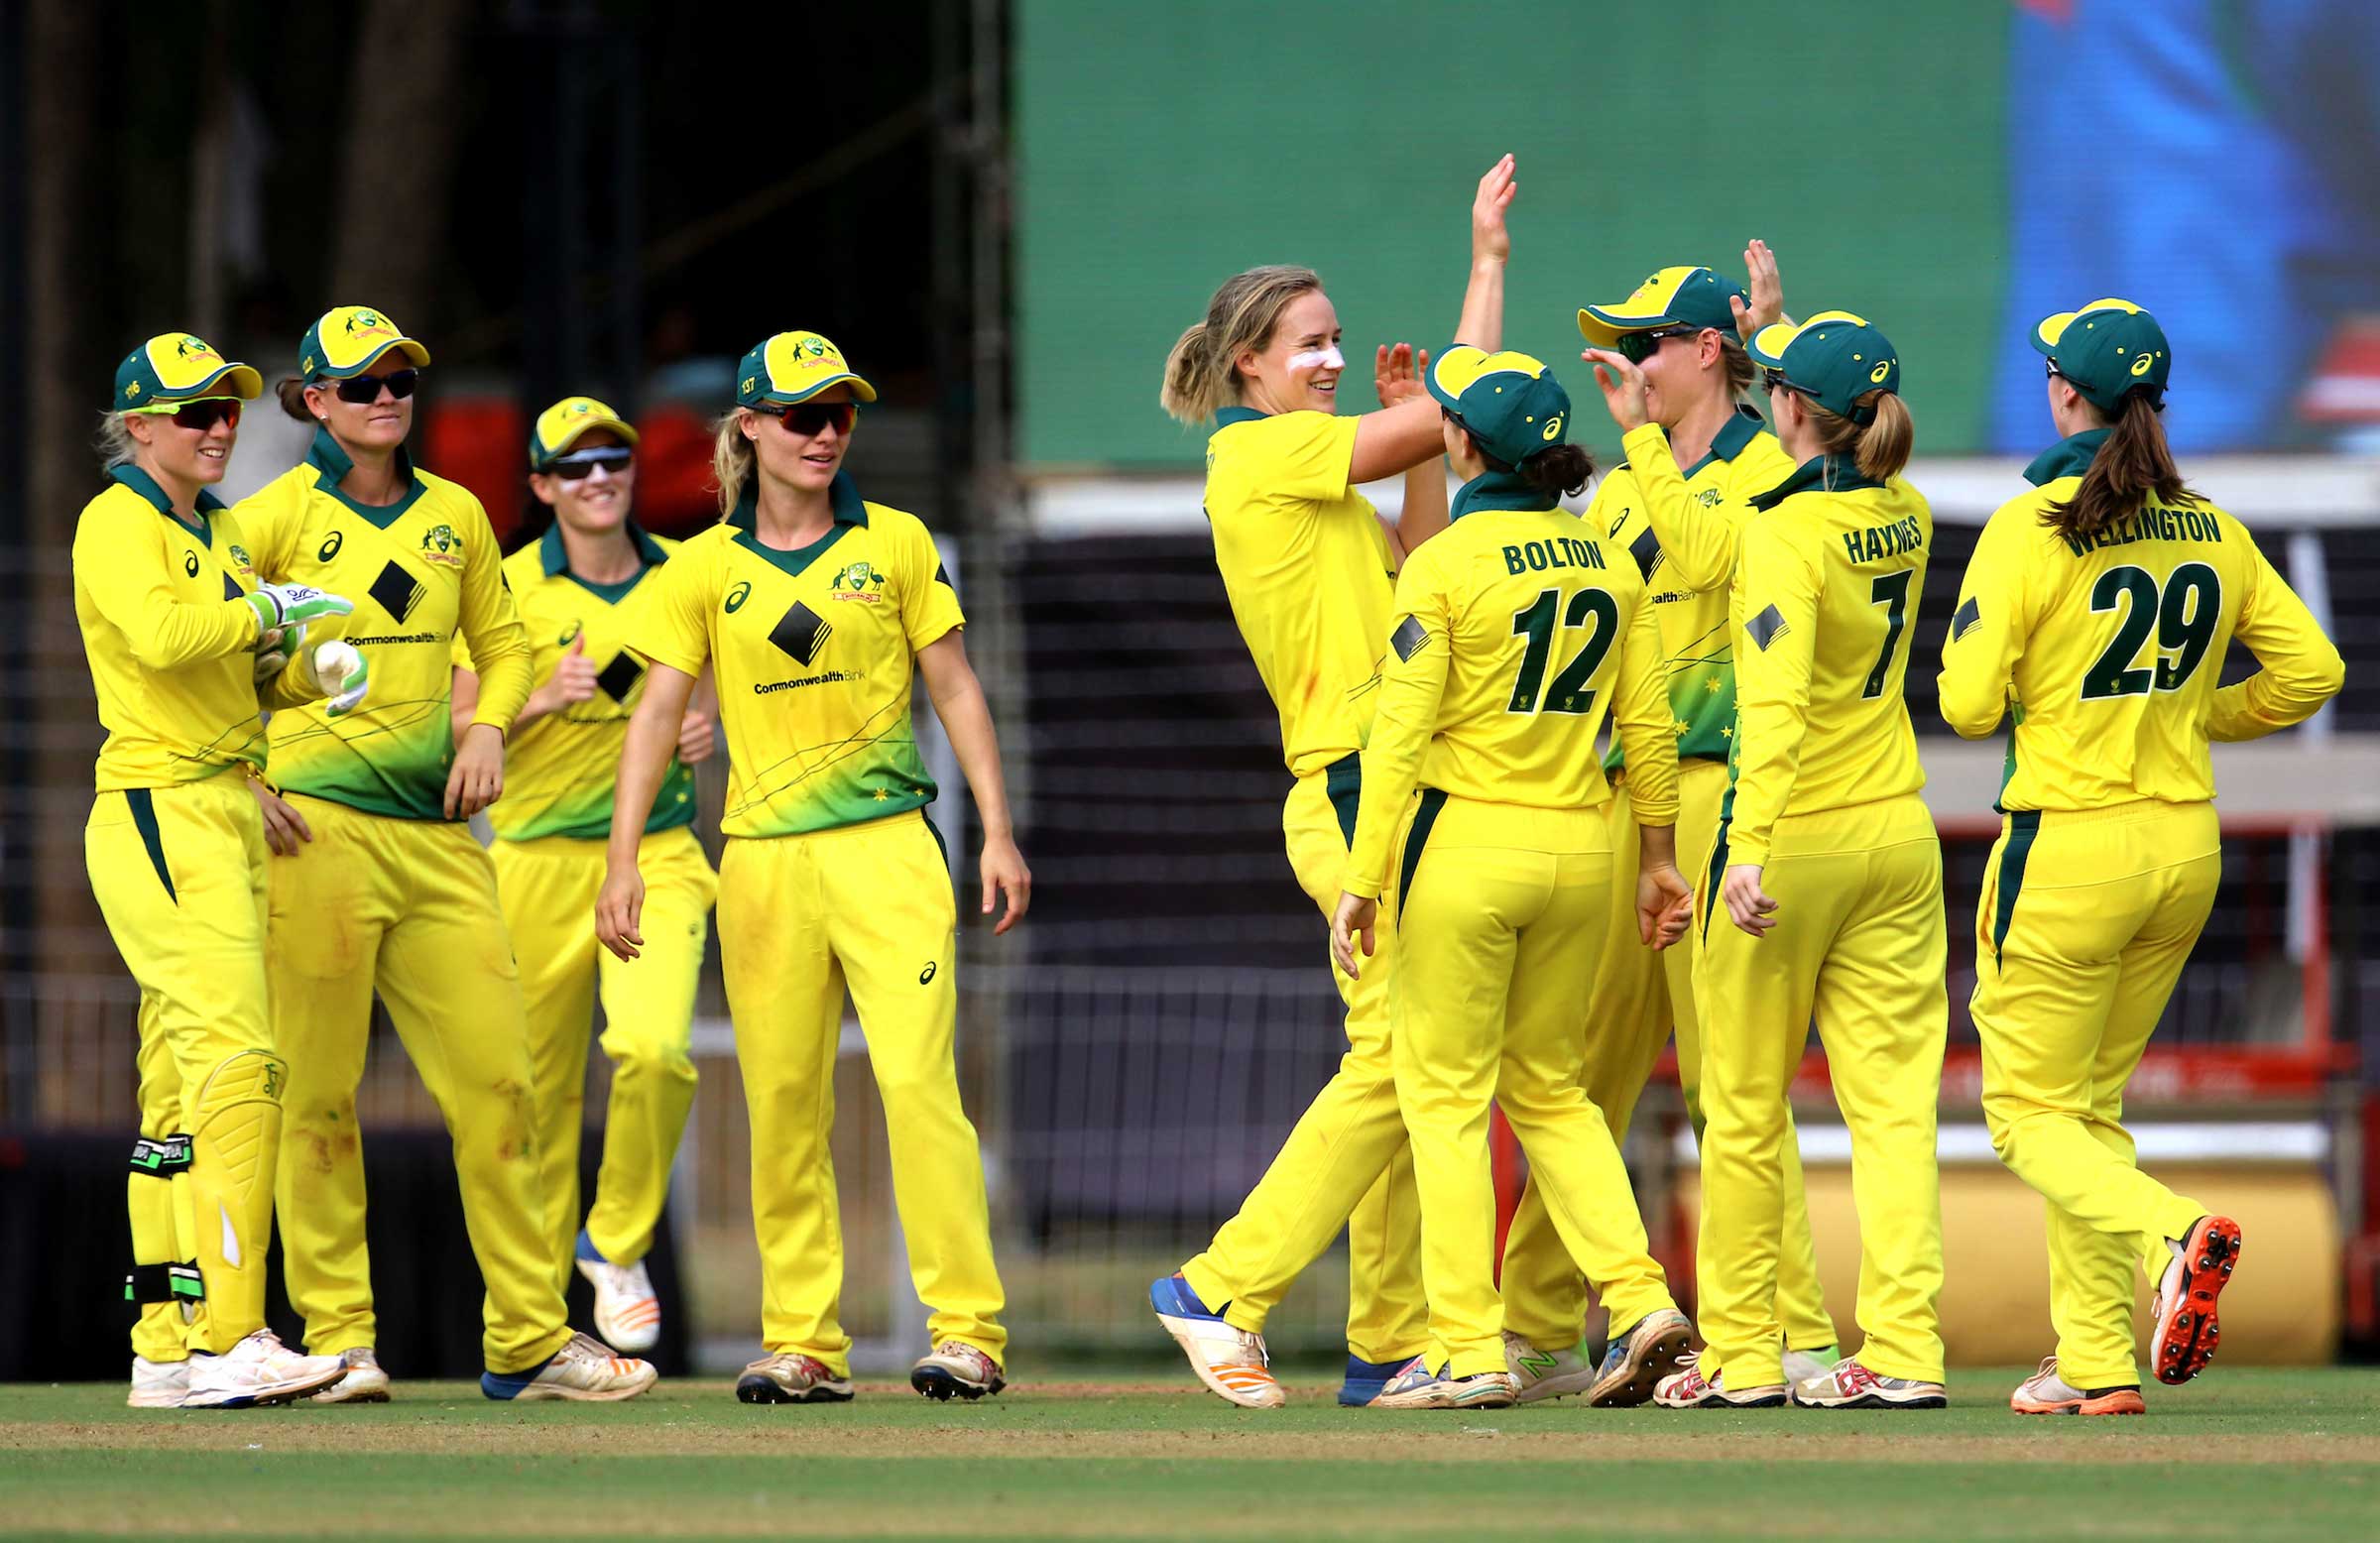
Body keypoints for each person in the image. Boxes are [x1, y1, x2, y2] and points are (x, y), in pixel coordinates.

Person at [1145, 156, 1517, 1410]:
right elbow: (1472, 403)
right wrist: (1486, 264)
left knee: (1415, 1062)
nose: (1333, 358)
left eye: (1336, 339)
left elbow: (1428, 556)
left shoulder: (1315, 470)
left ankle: (1384, 1342)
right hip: (1354, 786)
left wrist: (1418, 447)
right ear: (1246, 363)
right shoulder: (1257, 456)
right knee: (1406, 1054)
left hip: (1395, 778)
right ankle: (1218, 1287)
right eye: (1308, 343)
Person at [598, 329, 1029, 1405]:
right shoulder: (704, 565)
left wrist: (998, 829)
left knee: (919, 1087)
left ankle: (967, 1331)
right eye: (802, 415)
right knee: (785, 1104)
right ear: (750, 427)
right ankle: (803, 1342)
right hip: (762, 863)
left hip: (889, 849)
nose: (826, 433)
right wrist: (624, 858)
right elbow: (654, 715)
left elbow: (956, 686)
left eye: (840, 413)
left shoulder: (895, 541)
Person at [242, 305, 655, 1403]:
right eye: (362, 384)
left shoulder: (455, 514)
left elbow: (505, 646)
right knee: (318, 1097)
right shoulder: (269, 518)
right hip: (315, 836)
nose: (387, 398)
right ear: (315, 402)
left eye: (401, 380)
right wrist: (240, 776)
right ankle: (339, 1340)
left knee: (504, 1085)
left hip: (440, 843)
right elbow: (193, 657)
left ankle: (527, 1337)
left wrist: (488, 728)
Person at [1942, 298, 2344, 1413]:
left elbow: (1967, 705)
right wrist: (2193, 716)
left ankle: (2176, 1232)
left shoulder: (2031, 525)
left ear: (2066, 394)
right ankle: (2093, 1362)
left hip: (2069, 848)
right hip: (2182, 846)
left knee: (2028, 1117)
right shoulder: (2210, 528)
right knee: (2086, 1114)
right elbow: (2312, 673)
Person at [1493, 250, 1842, 1400]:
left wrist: (1774, 339)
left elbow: (1720, 551)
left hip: (1723, 792)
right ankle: (1541, 1326)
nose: (1629, 364)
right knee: (1576, 1072)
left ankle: (1788, 1332)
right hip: (1619, 802)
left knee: (1725, 1083)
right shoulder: (1620, 487)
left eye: (1646, 343)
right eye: (1620, 344)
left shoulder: (1765, 469)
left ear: (1705, 351)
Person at [1326, 347, 1696, 1410]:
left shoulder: (1442, 563)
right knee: (1552, 1091)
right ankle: (1640, 1298)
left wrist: (1363, 875)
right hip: (1581, 851)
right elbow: (1649, 730)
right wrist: (1658, 859)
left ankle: (1465, 1348)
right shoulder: (1608, 562)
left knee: (1444, 1097)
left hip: (1469, 848)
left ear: (1461, 445)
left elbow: (1400, 737)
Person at [1654, 311, 1951, 1411]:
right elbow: (1833, 399)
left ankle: (1743, 1358)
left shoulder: (1784, 531)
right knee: (1894, 1114)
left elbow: (1772, 709)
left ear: (1786, 409)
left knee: (1740, 1107)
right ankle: (1906, 1351)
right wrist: (1782, 328)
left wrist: (1749, 848)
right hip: (1896, 834)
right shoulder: (1906, 508)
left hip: (1796, 840)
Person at [77, 332, 363, 1410]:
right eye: (196, 411)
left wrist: (315, 672)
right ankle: (232, 1335)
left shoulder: (224, 528)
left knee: (176, 1086)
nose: (219, 428)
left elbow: (243, 668)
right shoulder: (117, 520)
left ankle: (165, 1346)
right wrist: (268, 611)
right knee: (241, 1063)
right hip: (162, 808)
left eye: (229, 409)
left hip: (225, 803)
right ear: (139, 425)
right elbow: (162, 636)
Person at [449, 397, 718, 1354]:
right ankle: (541, 1330)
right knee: (533, 1097)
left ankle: (615, 1241)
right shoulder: (509, 585)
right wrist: (537, 701)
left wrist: (707, 725)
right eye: (574, 466)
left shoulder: (687, 572)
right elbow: (455, 728)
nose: (598, 478)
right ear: (542, 486)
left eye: (613, 460)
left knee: (653, 1051)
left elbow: (727, 684)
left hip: (659, 854)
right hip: (533, 860)